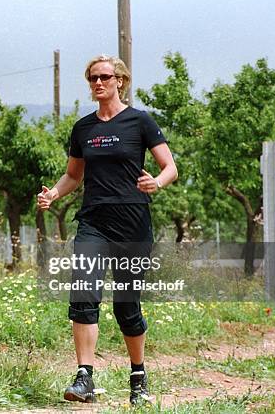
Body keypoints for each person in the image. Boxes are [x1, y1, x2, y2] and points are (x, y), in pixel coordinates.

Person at [37, 55, 177, 405]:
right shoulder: (83, 128)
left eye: (104, 77)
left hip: (132, 222)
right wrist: (54, 192)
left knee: (126, 307)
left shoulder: (140, 121)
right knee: (83, 292)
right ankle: (84, 376)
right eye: (92, 78)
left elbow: (169, 167)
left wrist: (156, 183)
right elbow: (73, 174)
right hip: (93, 221)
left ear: (120, 81)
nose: (97, 83)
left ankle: (138, 375)